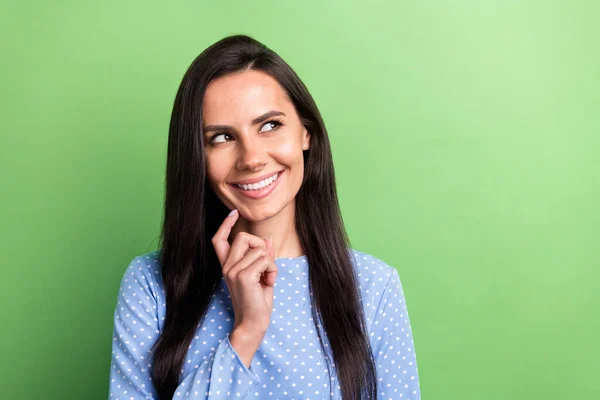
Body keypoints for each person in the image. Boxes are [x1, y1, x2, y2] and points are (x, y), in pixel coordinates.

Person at [108, 34, 420, 400]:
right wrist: (246, 333)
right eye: (221, 137)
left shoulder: (374, 287)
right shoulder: (150, 284)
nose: (252, 158)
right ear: (197, 157)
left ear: (306, 132)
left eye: (270, 125)